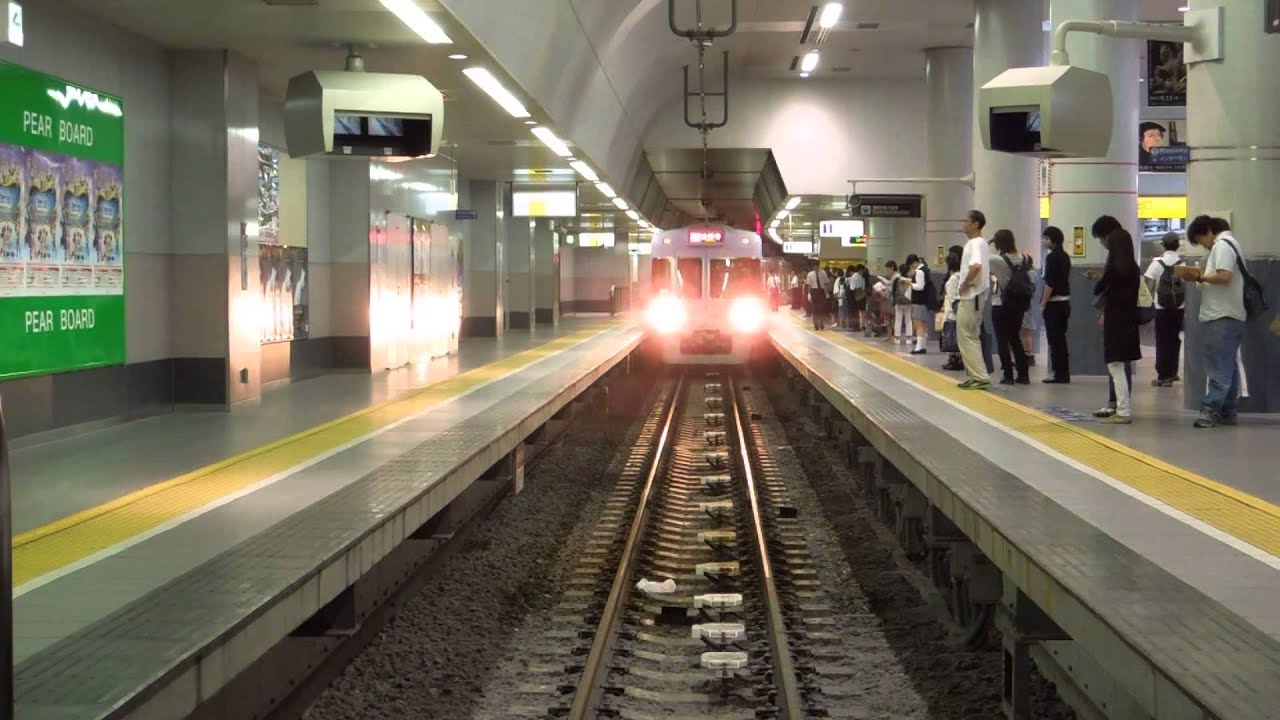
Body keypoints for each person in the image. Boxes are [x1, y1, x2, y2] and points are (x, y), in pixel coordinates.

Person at [1180, 215, 1247, 428]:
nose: (1202, 244)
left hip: (1222, 315)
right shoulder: (1228, 245)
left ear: (1207, 232)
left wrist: (1198, 277)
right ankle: (1228, 411)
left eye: (1200, 240)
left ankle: (1210, 410)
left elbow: (1224, 276)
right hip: (1228, 314)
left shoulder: (1223, 246)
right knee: (1228, 365)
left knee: (1217, 365)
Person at [1093, 227, 1142, 424]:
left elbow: (1100, 289)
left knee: (1115, 365)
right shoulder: (1133, 269)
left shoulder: (1114, 270)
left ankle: (1123, 410)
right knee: (1120, 364)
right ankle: (1121, 408)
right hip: (1129, 320)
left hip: (1116, 320)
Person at [989, 230, 1032, 384]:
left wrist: (988, 242)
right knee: (1015, 339)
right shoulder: (1025, 258)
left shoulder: (996, 260)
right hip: (1019, 304)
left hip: (1001, 304)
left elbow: (979, 259)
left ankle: (1008, 375)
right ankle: (1023, 375)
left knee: (1002, 340)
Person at [1143, 231, 1185, 387]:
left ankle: (1163, 376)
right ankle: (1173, 373)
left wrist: (1148, 305)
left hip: (1161, 308)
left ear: (1163, 245)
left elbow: (1150, 287)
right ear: (1178, 245)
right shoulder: (1182, 264)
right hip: (1179, 308)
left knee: (1162, 342)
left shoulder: (1156, 263)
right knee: (1175, 339)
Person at [956, 210, 992, 389]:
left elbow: (976, 266)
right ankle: (976, 374)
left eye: (966, 221)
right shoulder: (982, 243)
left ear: (976, 224)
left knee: (966, 336)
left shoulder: (974, 244)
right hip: (977, 297)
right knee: (972, 336)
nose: (964, 224)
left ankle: (979, 376)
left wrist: (964, 284)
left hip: (971, 296)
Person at [1040, 226, 1072, 383]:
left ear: (1052, 239)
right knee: (1061, 339)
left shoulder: (1052, 257)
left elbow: (1049, 283)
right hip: (1065, 303)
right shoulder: (1065, 256)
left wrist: (1043, 303)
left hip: (1054, 304)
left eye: (1045, 238)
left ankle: (1058, 374)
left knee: (1054, 340)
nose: (1043, 241)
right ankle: (1063, 373)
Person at [907, 254, 937, 355]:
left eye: (911, 266)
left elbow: (920, 287)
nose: (911, 268)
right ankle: (922, 346)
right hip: (924, 302)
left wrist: (909, 283)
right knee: (923, 325)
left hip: (919, 301)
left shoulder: (919, 272)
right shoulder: (925, 270)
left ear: (914, 263)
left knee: (918, 324)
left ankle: (919, 347)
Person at [941, 250, 963, 370]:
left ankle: (955, 360)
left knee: (951, 336)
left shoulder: (953, 279)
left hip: (952, 311)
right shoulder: (962, 276)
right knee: (958, 336)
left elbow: (952, 297)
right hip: (961, 310)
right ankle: (957, 359)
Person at [805, 261, 831, 330]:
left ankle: (821, 324)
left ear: (818, 266)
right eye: (814, 266)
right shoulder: (810, 274)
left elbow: (826, 284)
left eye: (816, 266)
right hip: (814, 291)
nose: (815, 267)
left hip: (821, 291)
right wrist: (809, 294)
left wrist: (827, 292)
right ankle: (816, 325)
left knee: (821, 309)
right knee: (815, 309)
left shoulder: (823, 273)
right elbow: (809, 285)